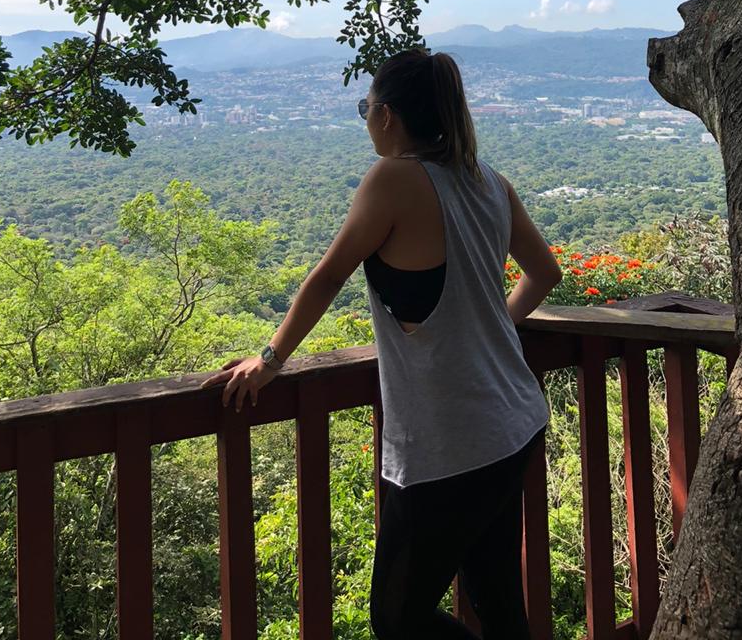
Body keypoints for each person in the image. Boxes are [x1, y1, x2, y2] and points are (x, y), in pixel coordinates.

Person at [201, 46, 563, 639]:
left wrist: (269, 360)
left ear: (388, 115)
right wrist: (491, 323)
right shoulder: (489, 181)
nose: (365, 117)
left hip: (448, 439)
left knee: (397, 618)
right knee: (496, 599)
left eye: (365, 106)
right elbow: (545, 273)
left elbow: (327, 277)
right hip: (515, 421)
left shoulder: (394, 177)